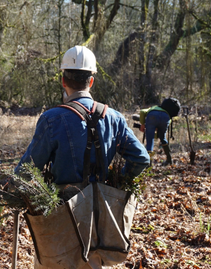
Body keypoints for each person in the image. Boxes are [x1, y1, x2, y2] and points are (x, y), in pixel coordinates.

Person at [15, 46, 150, 268]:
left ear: (63, 80)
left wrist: (14, 188)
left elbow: (26, 171)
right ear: (91, 82)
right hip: (100, 217)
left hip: (59, 212)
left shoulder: (52, 119)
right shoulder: (114, 118)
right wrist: (118, 182)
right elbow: (141, 159)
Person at [139, 98, 180, 166]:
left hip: (152, 116)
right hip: (165, 118)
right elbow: (168, 122)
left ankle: (148, 164)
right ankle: (169, 159)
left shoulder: (153, 108)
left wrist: (142, 124)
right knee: (163, 138)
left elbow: (142, 112)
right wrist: (160, 129)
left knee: (150, 140)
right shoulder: (168, 114)